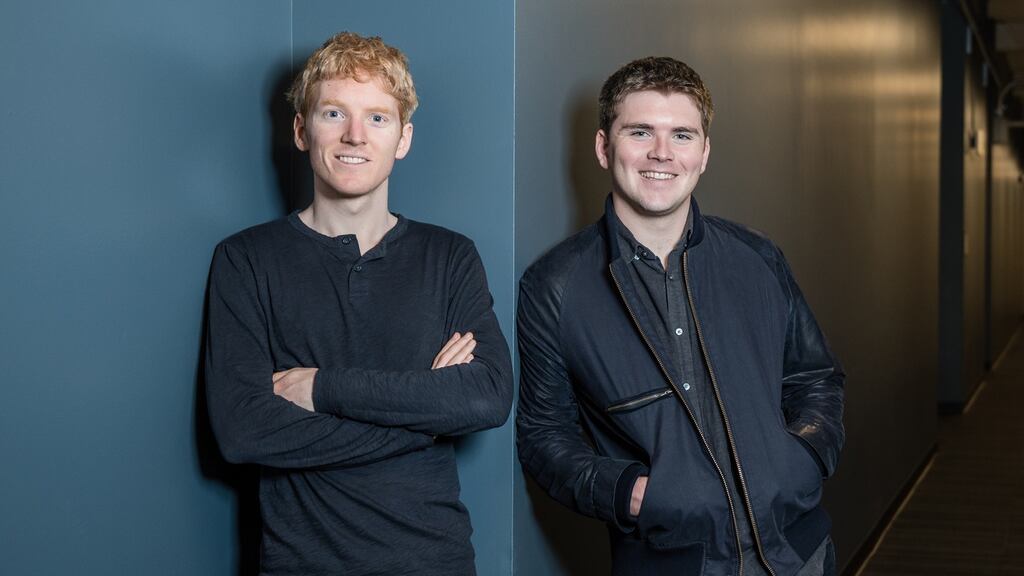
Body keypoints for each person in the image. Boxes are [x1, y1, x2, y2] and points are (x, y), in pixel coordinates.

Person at [516, 56, 844, 576]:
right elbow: (543, 435)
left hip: (799, 555)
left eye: (683, 135)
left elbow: (815, 377)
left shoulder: (758, 258)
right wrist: (631, 494)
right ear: (604, 147)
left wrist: (800, 460)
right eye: (640, 132)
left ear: (705, 152)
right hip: (671, 562)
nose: (662, 154)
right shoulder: (555, 284)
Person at [205, 31, 512, 575]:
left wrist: (321, 388)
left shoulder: (450, 256)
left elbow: (486, 398)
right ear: (301, 130)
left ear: (403, 138)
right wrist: (429, 416)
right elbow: (244, 431)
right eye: (333, 114)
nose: (354, 136)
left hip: (435, 562)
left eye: (377, 118)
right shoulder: (245, 260)